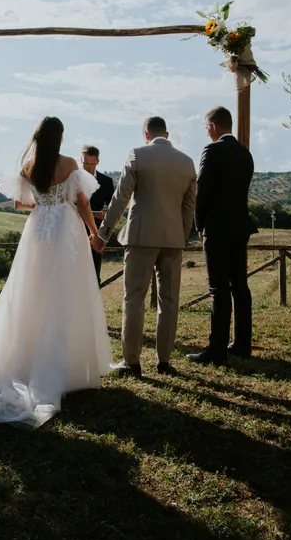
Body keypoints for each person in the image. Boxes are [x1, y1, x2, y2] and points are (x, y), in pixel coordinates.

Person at [0, 116, 113, 428]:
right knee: (67, 294)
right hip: (66, 231)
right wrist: (93, 232)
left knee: (32, 293)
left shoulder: (29, 166)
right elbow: (83, 202)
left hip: (38, 232)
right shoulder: (70, 163)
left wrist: (44, 205)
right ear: (59, 137)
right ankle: (66, 369)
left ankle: (26, 364)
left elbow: (19, 203)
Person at [91, 116, 196, 377]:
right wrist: (180, 237)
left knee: (134, 299)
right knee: (170, 301)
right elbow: (188, 207)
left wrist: (103, 234)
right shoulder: (187, 162)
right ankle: (164, 361)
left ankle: (132, 362)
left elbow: (120, 198)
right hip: (173, 240)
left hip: (140, 238)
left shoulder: (137, 155)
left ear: (145, 134)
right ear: (167, 134)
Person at [187, 106, 255, 367]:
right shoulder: (245, 154)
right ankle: (242, 343)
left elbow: (202, 189)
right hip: (240, 226)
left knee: (218, 288)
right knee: (240, 285)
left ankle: (216, 350)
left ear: (213, 125)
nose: (207, 132)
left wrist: (199, 224)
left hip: (217, 227)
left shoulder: (212, 150)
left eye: (206, 128)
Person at [81, 145, 115, 285]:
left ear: (98, 162)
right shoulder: (72, 179)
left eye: (91, 164)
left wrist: (105, 213)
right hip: (74, 229)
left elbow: (112, 207)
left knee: (94, 276)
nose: (88, 167)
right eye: (85, 163)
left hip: (96, 233)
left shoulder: (106, 181)